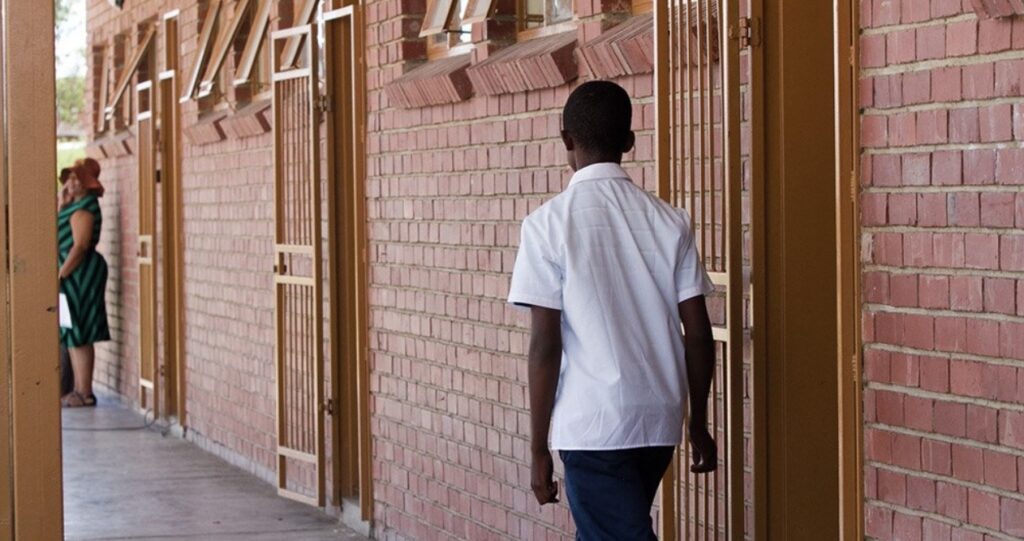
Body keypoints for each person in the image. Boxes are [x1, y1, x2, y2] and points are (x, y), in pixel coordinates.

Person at [507, 81, 718, 540]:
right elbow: (700, 335)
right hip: (657, 421)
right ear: (628, 141)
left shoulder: (546, 226)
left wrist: (538, 446)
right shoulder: (670, 222)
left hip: (593, 427)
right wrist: (697, 421)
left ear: (566, 140)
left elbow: (545, 345)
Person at [58, 158, 111, 408]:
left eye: (77, 178)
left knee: (80, 329)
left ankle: (84, 392)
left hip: (80, 273)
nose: (71, 182)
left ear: (88, 184)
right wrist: (62, 201)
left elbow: (79, 246)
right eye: (69, 178)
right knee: (71, 330)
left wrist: (60, 274)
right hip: (73, 273)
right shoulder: (73, 205)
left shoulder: (85, 209)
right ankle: (78, 390)